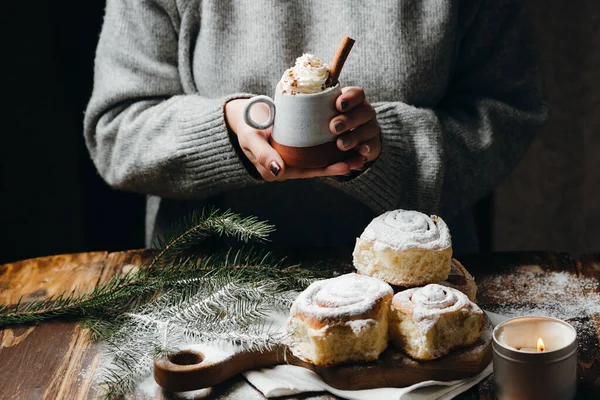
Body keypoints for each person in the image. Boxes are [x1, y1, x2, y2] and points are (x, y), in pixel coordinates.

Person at [84, 0, 547, 252]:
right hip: (204, 293)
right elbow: (117, 129)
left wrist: (391, 150)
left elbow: (509, 111)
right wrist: (226, 131)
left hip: (414, 294)